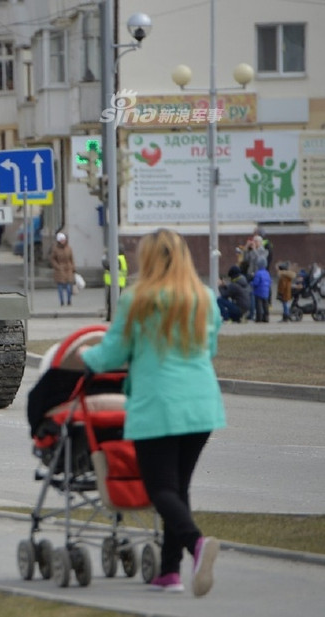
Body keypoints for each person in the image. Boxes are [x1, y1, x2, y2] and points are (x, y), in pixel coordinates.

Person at [79, 228, 224, 597]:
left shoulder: (138, 299)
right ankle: (169, 573)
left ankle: (196, 545)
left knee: (160, 487)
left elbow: (112, 353)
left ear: (148, 259)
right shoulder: (204, 297)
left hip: (159, 404)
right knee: (178, 489)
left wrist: (84, 358)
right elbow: (209, 348)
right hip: (201, 404)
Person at [49, 232, 75, 306]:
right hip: (60, 270)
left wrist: (73, 267)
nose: (63, 241)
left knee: (69, 287)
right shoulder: (55, 249)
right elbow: (52, 259)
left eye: (64, 240)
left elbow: (71, 259)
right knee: (60, 286)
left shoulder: (69, 248)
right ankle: (62, 301)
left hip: (68, 269)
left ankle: (69, 301)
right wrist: (57, 266)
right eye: (62, 240)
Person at [103, 245, 128, 321]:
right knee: (114, 301)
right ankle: (111, 317)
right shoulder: (123, 259)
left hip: (115, 284)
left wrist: (104, 260)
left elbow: (109, 266)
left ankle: (110, 317)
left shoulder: (118, 259)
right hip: (119, 283)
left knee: (111, 301)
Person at [250, 256, 271, 323]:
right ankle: (266, 317)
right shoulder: (267, 273)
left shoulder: (258, 273)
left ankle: (259, 318)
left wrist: (251, 283)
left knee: (258, 305)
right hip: (266, 291)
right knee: (265, 305)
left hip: (258, 292)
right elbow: (270, 281)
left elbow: (256, 283)